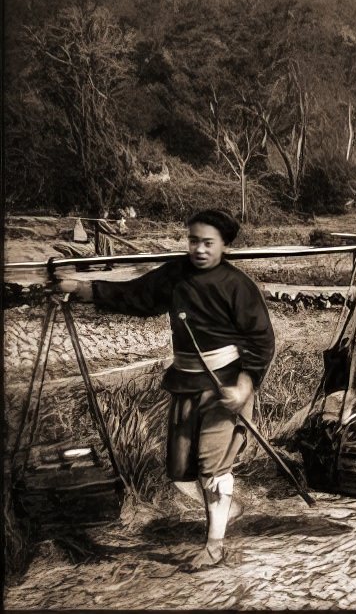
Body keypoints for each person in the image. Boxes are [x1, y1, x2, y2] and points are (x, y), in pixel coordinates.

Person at [57, 209, 275, 571]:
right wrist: (82, 289)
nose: (200, 250)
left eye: (209, 243)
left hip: (224, 387)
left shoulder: (238, 286)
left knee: (213, 467)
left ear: (224, 245)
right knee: (180, 469)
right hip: (185, 383)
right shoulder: (176, 275)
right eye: (194, 241)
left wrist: (245, 384)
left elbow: (262, 340)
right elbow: (136, 295)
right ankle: (227, 507)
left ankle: (214, 546)